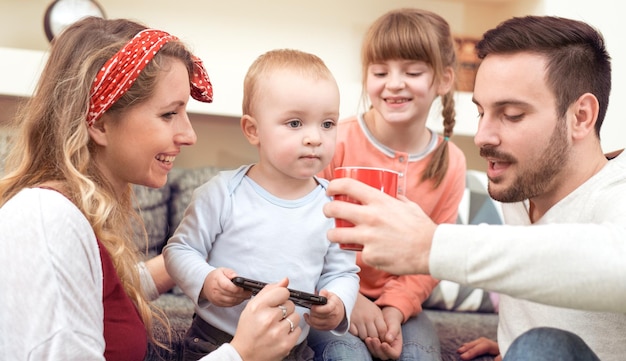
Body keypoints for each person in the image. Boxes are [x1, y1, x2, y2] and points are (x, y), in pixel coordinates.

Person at [320, 15, 626, 361]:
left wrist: (431, 245)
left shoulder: (617, 189)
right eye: (481, 112)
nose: (482, 137)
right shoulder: (521, 184)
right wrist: (514, 345)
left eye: (511, 115)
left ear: (581, 117)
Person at [0, 16, 302, 361]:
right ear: (99, 122)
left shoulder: (66, 218)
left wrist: (194, 256)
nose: (189, 135)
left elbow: (100, 293)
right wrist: (241, 353)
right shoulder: (46, 221)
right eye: (169, 114)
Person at [163, 48, 360, 361]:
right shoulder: (223, 193)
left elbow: (344, 273)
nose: (314, 138)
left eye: (327, 124)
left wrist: (338, 302)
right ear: (253, 130)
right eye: (295, 123)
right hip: (217, 342)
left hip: (294, 348)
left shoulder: (336, 205)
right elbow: (179, 251)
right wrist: (207, 281)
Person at [308, 8, 466, 361]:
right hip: (330, 294)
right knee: (345, 355)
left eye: (412, 72)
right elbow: (305, 233)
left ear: (443, 80)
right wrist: (354, 299)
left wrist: (394, 310)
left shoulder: (452, 162)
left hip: (402, 305)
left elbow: (431, 259)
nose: (394, 83)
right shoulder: (334, 141)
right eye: (380, 72)